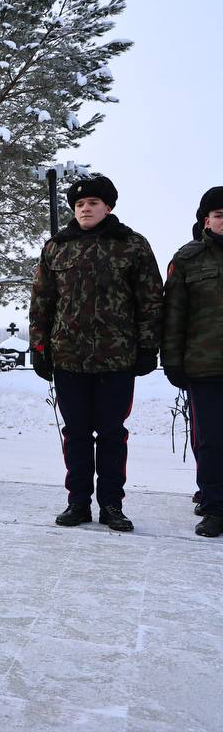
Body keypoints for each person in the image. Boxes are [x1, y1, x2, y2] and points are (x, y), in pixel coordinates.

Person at [29, 175, 163, 532]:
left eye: (92, 203)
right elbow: (41, 301)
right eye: (78, 204)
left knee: (111, 434)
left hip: (117, 358)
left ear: (108, 207)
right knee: (75, 433)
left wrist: (149, 346)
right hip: (68, 358)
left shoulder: (132, 245)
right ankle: (77, 503)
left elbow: (150, 300)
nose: (85, 209)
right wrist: (39, 347)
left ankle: (112, 505)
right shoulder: (56, 247)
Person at [162, 187, 223, 537]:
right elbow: (174, 315)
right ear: (206, 220)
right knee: (211, 441)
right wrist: (171, 360)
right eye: (219, 215)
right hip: (206, 366)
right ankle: (215, 507)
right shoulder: (188, 258)